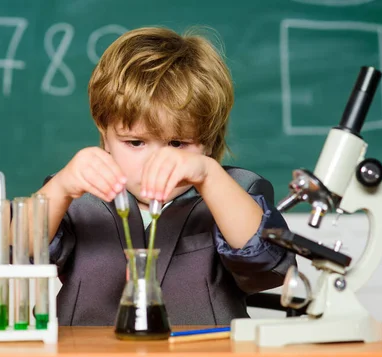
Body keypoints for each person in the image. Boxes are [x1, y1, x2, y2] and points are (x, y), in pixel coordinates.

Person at [35, 26, 296, 326]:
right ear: (104, 135)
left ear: (208, 141)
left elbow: (268, 264)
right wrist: (61, 188)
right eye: (135, 143)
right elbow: (16, 254)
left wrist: (209, 177)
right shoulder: (75, 194)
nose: (156, 161)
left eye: (177, 143)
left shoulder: (235, 190)